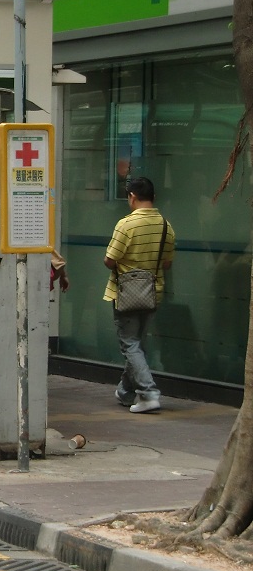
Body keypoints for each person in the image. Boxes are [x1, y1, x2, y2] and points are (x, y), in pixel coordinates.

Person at [103, 176, 175, 414]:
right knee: (136, 344)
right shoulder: (166, 225)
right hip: (154, 293)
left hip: (127, 293)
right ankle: (126, 391)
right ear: (153, 198)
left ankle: (148, 392)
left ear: (132, 196)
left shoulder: (126, 225)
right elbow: (166, 264)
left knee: (130, 344)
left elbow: (109, 260)